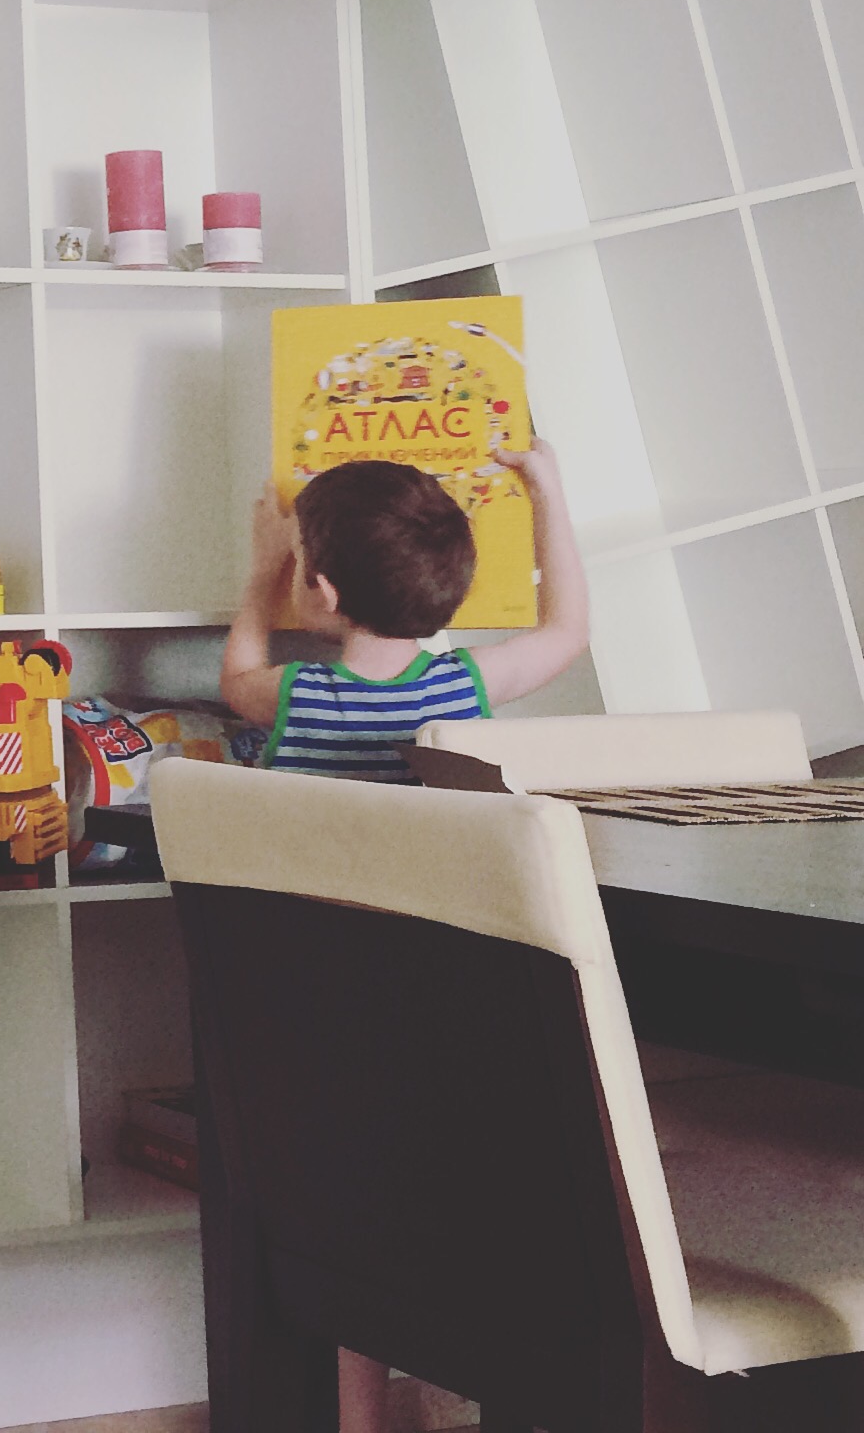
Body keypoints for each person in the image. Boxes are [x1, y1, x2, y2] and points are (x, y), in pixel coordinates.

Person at [220, 439, 589, 1430]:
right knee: (449, 1218)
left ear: (321, 590)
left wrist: (260, 566)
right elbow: (567, 629)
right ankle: (465, 1391)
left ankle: (365, 1421)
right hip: (446, 1017)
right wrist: (545, 491)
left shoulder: (296, 698)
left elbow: (236, 671)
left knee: (357, 1237)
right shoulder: (462, 690)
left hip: (315, 1021)